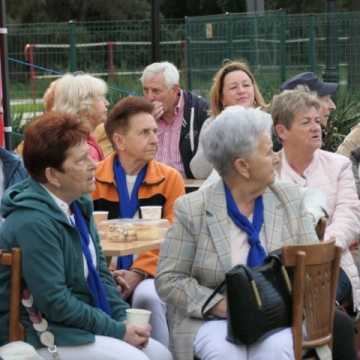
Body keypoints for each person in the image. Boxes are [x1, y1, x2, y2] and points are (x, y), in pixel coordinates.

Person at [156, 105, 341, 360]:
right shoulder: (193, 208)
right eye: (268, 152)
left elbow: (313, 269)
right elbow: (169, 278)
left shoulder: (288, 199)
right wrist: (222, 306)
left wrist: (287, 301)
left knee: (275, 350)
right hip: (215, 318)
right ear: (243, 166)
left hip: (281, 314)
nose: (276, 157)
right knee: (224, 352)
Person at [0, 112, 172, 360]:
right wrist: (117, 330)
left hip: (73, 324)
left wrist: (123, 317)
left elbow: (100, 273)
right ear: (52, 175)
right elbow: (55, 302)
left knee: (161, 354)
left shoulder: (78, 204)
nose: (94, 163)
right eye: (82, 160)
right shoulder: (31, 221)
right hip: (39, 332)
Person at [92, 96, 185, 347]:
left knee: (148, 297)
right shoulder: (92, 180)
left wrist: (138, 272)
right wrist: (108, 273)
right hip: (104, 274)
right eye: (144, 132)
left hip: (152, 275)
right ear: (119, 141)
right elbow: (86, 239)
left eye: (155, 131)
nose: (155, 138)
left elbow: (174, 239)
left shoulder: (169, 179)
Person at [271, 89, 360, 312]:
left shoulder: (339, 165)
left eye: (317, 121)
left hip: (332, 263)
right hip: (281, 267)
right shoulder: (267, 171)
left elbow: (350, 216)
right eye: (306, 122)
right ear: (282, 131)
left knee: (321, 301)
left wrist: (320, 248)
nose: (316, 128)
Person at [190, 60, 267, 179]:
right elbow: (199, 172)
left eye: (246, 85)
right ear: (221, 98)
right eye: (233, 87)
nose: (241, 91)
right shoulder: (212, 124)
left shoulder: (268, 121)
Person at [140, 61, 208, 178]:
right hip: (149, 187)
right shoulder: (138, 114)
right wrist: (145, 124)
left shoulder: (200, 111)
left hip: (188, 187)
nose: (150, 97)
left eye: (156, 91)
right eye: (146, 90)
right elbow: (131, 157)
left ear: (175, 90)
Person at [53, 73, 109, 162]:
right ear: (84, 105)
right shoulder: (84, 151)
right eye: (101, 98)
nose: (107, 103)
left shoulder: (66, 139)